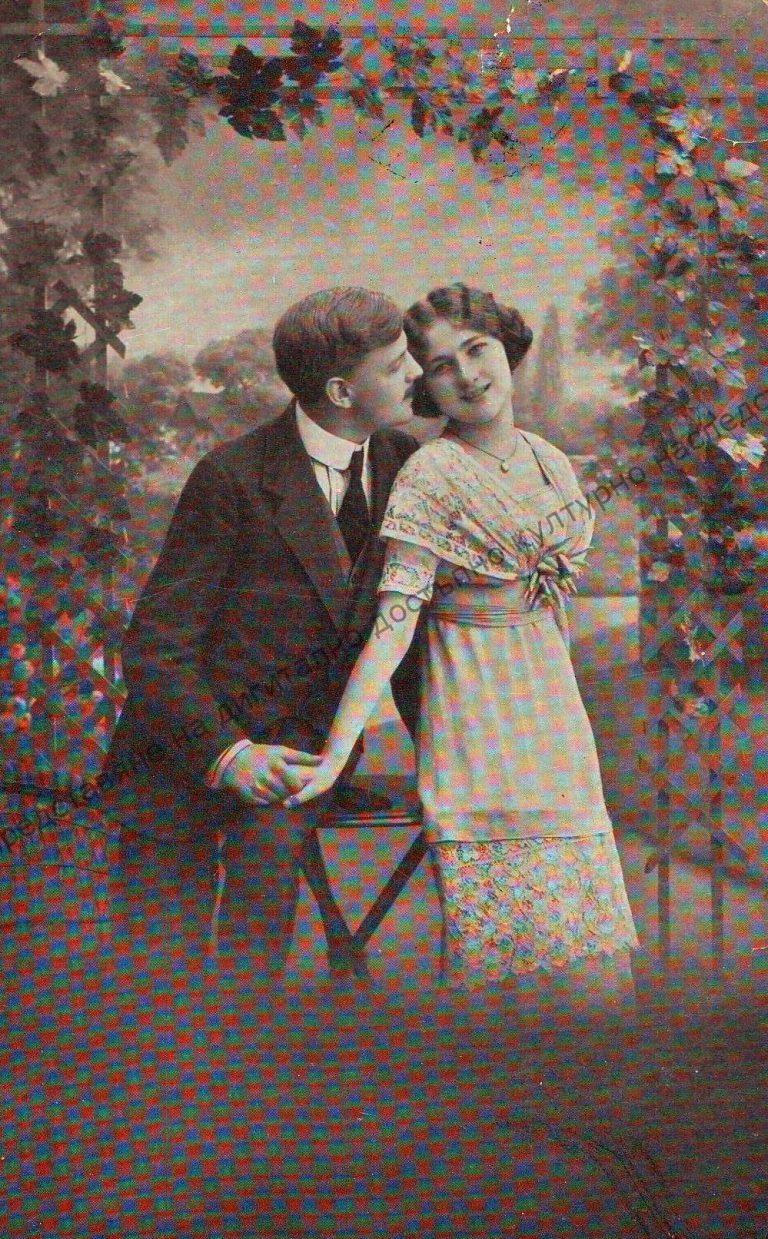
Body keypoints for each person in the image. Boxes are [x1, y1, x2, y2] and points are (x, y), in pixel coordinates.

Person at [288, 283, 639, 1017]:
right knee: (507, 971)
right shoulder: (430, 475)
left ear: (505, 348)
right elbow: (393, 628)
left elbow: (552, 613)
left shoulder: (550, 461)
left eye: (477, 350)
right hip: (477, 722)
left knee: (594, 970)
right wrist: (335, 752)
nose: (468, 375)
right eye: (441, 366)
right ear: (425, 384)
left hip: (554, 727)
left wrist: (568, 721)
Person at [99, 287, 424, 998]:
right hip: (184, 748)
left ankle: (247, 1036)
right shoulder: (232, 478)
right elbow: (155, 649)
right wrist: (230, 754)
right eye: (396, 364)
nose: (416, 373)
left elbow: (407, 634)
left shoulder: (409, 464)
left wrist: (442, 751)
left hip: (299, 753)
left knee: (260, 901)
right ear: (341, 391)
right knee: (159, 973)